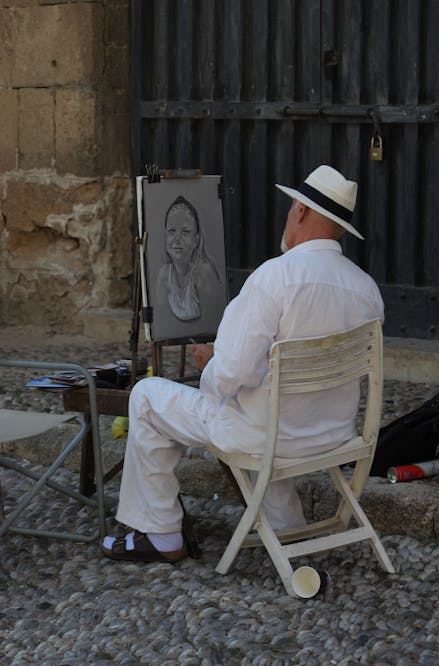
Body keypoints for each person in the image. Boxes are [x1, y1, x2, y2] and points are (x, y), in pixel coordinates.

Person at [102, 165, 384, 563]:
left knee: (149, 397)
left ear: (300, 212)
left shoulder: (276, 278)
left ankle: (162, 533)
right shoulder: (366, 289)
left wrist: (212, 363)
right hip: (333, 437)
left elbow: (232, 374)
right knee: (266, 408)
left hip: (267, 439)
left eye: (291, 208)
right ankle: (288, 531)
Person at [156, 195, 222, 321]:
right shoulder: (164, 275)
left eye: (185, 231)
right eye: (171, 231)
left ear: (196, 240)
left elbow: (212, 321)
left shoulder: (203, 273)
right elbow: (162, 321)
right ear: (165, 237)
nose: (177, 238)